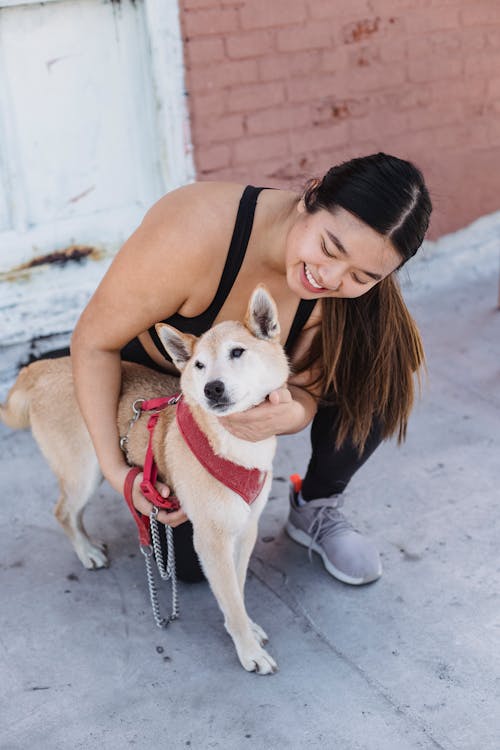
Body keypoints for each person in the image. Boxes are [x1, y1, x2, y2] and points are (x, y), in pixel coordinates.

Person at [70, 152, 432, 585]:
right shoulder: (193, 230)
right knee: (192, 566)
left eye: (362, 276)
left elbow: (307, 389)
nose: (330, 278)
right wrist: (117, 471)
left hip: (229, 398)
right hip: (154, 382)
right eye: (328, 248)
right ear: (310, 196)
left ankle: (316, 505)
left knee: (385, 362)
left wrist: (292, 413)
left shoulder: (344, 287)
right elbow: (93, 343)